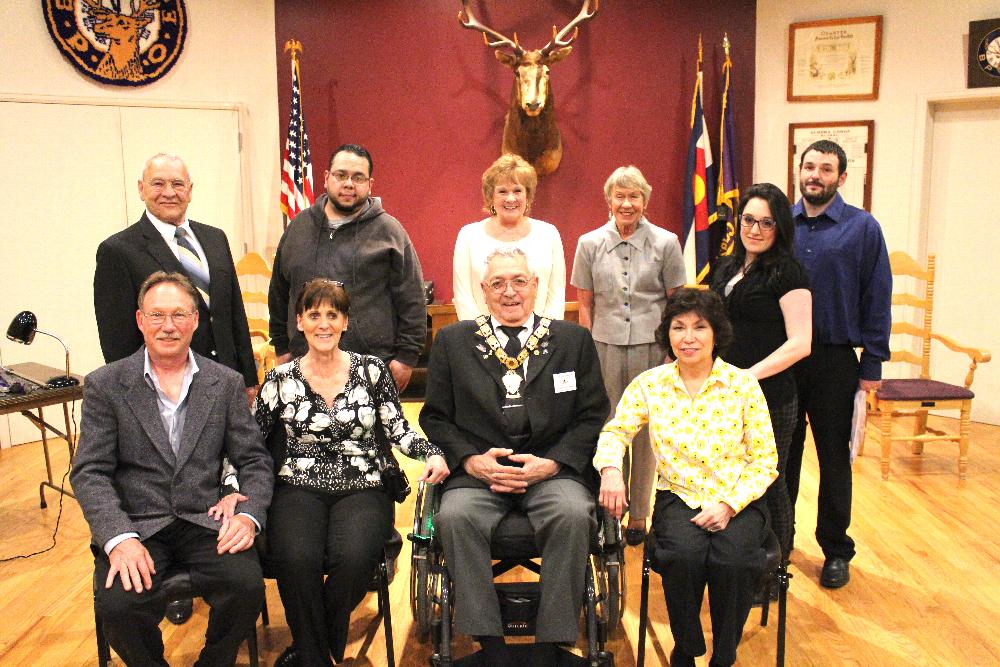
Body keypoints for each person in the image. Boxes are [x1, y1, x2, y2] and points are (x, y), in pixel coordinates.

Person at [71, 272, 273, 667]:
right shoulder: (106, 385)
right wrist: (117, 537)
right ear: (140, 320)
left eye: (179, 315)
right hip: (138, 524)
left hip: (204, 518)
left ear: (195, 321)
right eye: (157, 315)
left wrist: (249, 516)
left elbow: (254, 460)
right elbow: (90, 472)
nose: (168, 326)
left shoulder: (225, 383)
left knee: (247, 586)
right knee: (119, 606)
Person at [420, 247, 609, 665]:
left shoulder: (572, 340)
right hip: (479, 473)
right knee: (454, 517)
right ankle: (491, 648)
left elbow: (593, 413)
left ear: (535, 287)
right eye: (498, 284)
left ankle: (547, 647)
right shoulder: (453, 341)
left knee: (574, 515)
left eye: (519, 281)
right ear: (483, 291)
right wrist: (470, 460)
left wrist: (554, 462)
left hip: (552, 470)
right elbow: (435, 417)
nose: (510, 292)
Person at [254, 278, 449, 666]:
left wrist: (431, 453)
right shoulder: (278, 380)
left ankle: (312, 647)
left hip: (363, 483)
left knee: (356, 557)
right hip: (298, 483)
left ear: (345, 322)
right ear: (300, 322)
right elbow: (249, 442)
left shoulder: (372, 371)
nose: (323, 323)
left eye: (332, 315)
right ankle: (318, 656)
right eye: (314, 315)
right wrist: (230, 485)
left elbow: (397, 428)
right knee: (295, 557)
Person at [595, 288, 778, 667]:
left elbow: (765, 461)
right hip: (679, 495)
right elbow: (616, 432)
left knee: (735, 562)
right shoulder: (651, 384)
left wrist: (728, 505)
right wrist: (611, 469)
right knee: (682, 555)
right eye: (679, 327)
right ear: (668, 335)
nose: (688, 337)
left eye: (699, 327)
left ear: (716, 334)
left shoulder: (743, 385)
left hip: (737, 497)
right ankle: (687, 647)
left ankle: (724, 654)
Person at [789, 140, 891, 588]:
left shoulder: (863, 228)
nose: (815, 175)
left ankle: (835, 549)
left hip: (834, 361)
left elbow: (878, 297)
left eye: (826, 169)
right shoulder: (779, 224)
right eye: (809, 166)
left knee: (834, 460)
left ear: (842, 178)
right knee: (777, 458)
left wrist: (872, 366)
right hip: (784, 359)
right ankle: (775, 541)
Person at [571, 165, 686, 546]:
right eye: (619, 196)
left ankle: (639, 513)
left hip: (652, 348)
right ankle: (611, 509)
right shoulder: (589, 244)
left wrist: (672, 351)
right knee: (608, 425)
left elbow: (677, 303)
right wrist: (586, 349)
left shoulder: (667, 243)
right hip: (603, 346)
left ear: (644, 201)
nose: (626, 203)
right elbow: (584, 303)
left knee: (645, 430)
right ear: (608, 200)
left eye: (634, 196)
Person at [94, 153, 258, 394]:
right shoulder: (118, 251)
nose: (169, 192)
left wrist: (247, 377)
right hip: (165, 389)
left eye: (177, 184)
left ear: (189, 190)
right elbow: (117, 341)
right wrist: (135, 397)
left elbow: (234, 312)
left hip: (226, 381)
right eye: (158, 183)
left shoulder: (216, 238)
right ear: (141, 189)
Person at [269, 144, 426, 394]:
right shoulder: (298, 228)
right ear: (326, 178)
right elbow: (278, 294)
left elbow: (412, 298)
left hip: (372, 369)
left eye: (358, 177)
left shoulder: (390, 232)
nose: (349, 184)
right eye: (340, 175)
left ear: (370, 184)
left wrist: (406, 357)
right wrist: (282, 347)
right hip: (305, 367)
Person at [709, 182, 811, 565]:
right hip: (723, 393)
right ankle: (738, 559)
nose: (754, 229)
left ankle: (775, 569)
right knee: (730, 479)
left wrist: (749, 376)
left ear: (779, 228)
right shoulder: (727, 266)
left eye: (766, 223)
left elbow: (801, 342)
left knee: (768, 481)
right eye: (748, 220)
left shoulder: (789, 273)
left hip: (770, 395)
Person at [452, 154, 565, 320]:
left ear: (528, 196)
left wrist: (542, 338)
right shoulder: (468, 236)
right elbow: (464, 297)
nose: (511, 198)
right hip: (481, 341)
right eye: (502, 191)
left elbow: (556, 295)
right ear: (491, 197)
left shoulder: (549, 234)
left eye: (517, 190)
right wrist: (484, 340)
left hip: (541, 341)